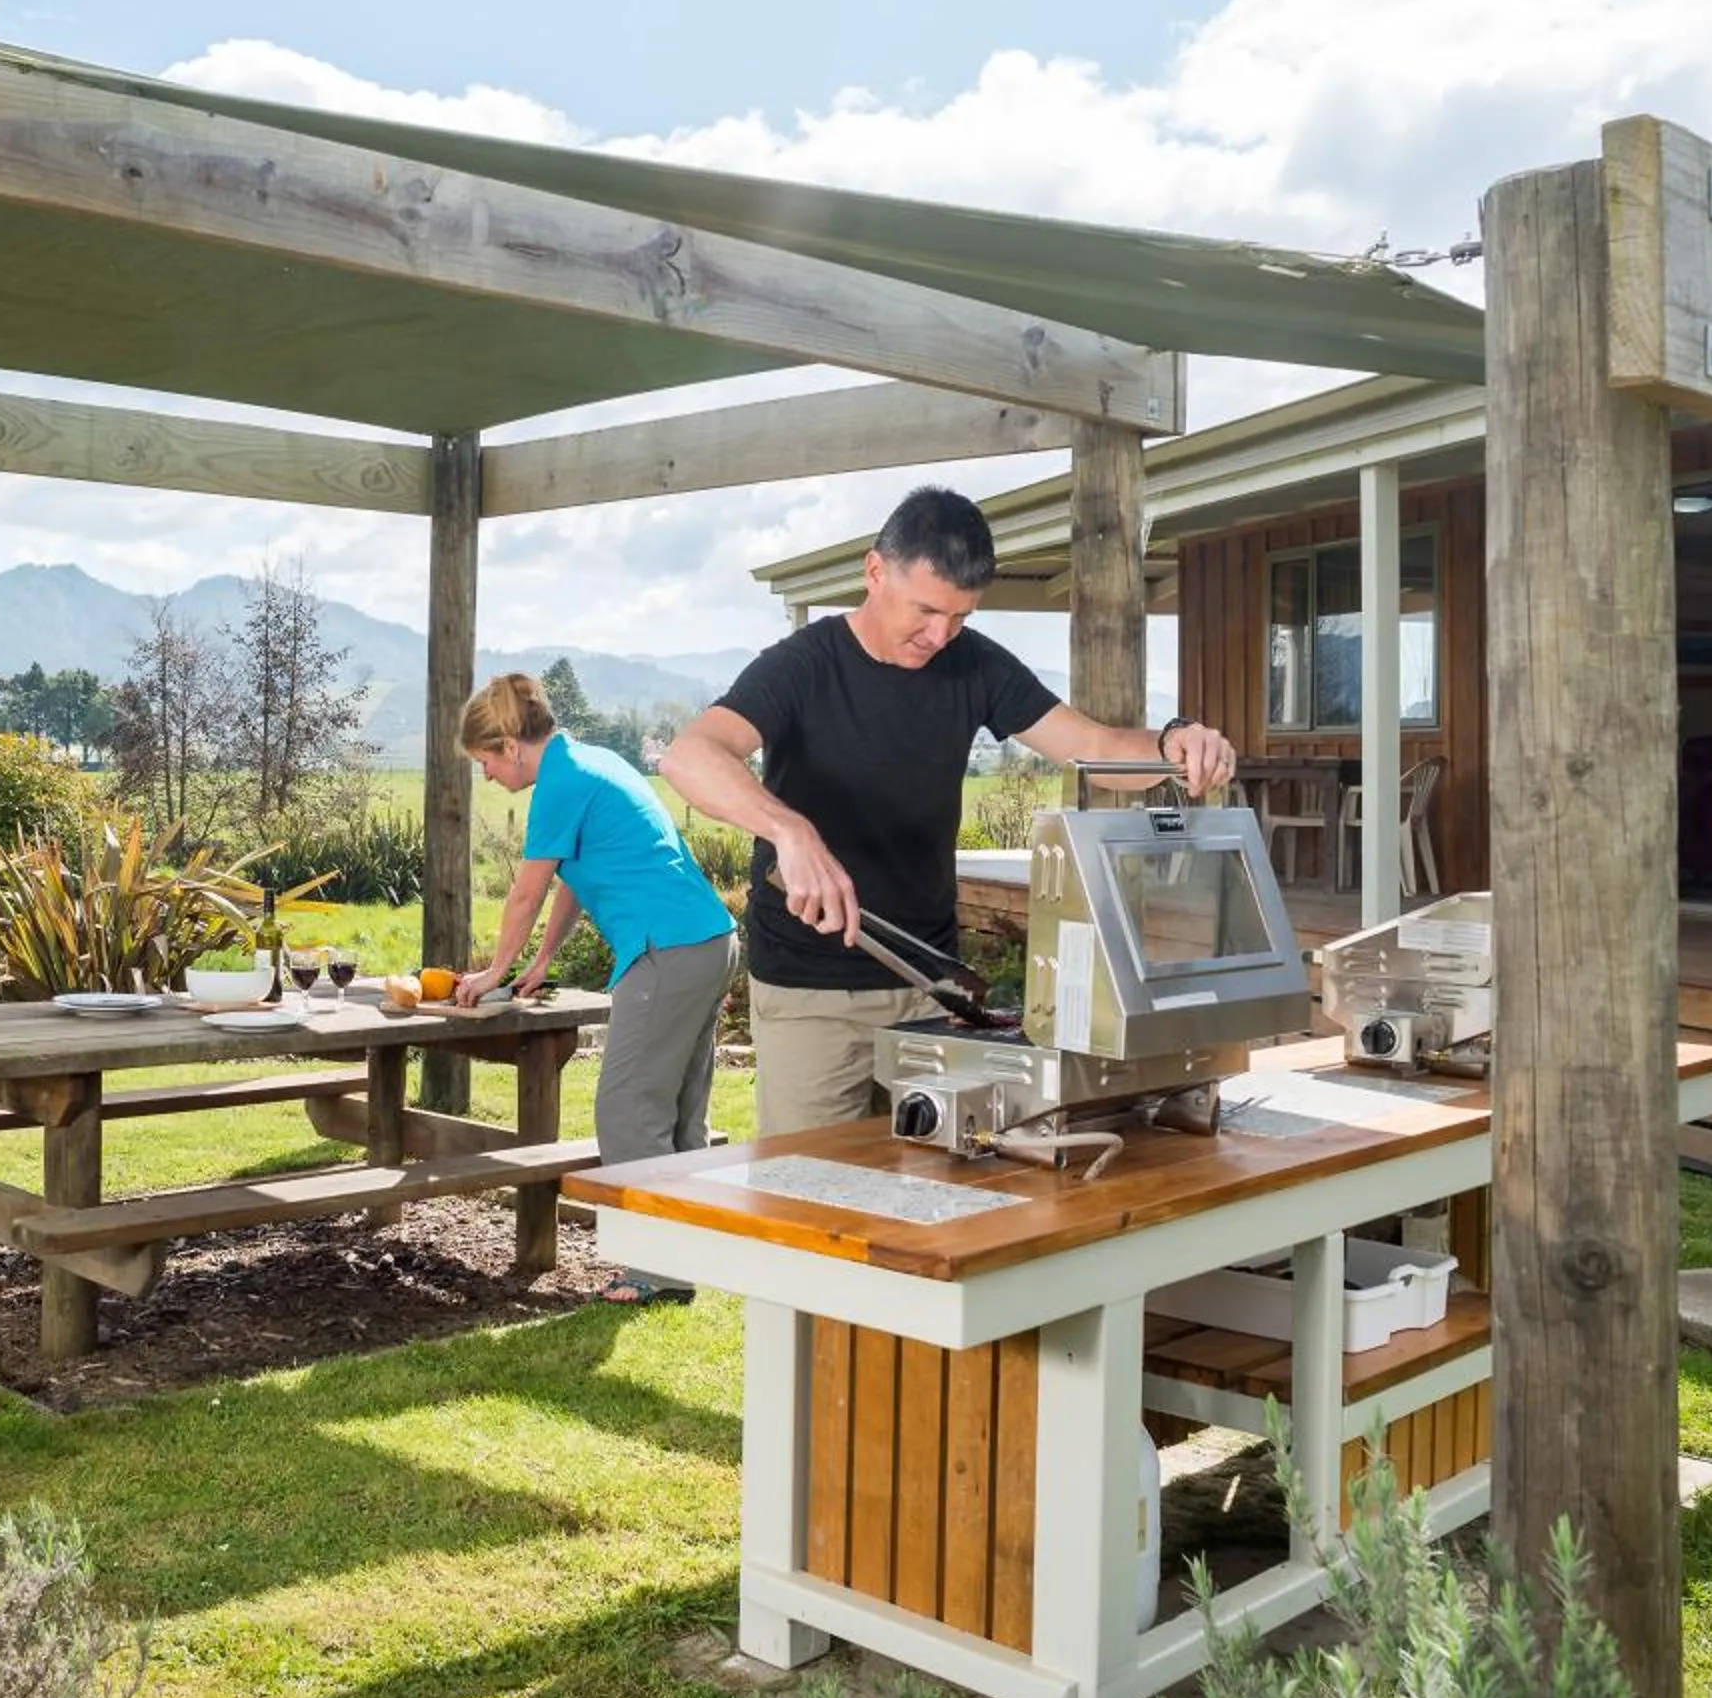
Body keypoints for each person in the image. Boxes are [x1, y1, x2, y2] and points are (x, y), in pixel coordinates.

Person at [661, 484, 1237, 1141]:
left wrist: (1172, 743)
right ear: (875, 572)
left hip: (933, 990)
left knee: (931, 1189)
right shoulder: (801, 666)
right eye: (927, 610)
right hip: (812, 994)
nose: (940, 635)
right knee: (809, 1201)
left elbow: (1098, 749)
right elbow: (690, 756)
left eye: (960, 617)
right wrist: (789, 830)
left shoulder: (974, 666)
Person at [456, 672, 736, 1306]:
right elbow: (573, 879)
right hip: (708, 939)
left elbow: (526, 890)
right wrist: (543, 957)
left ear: (509, 743)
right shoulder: (589, 761)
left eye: (484, 763)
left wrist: (494, 970)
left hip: (667, 949)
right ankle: (684, 1261)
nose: (488, 777)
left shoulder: (561, 782)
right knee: (678, 1111)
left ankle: (656, 1273)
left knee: (627, 1108)